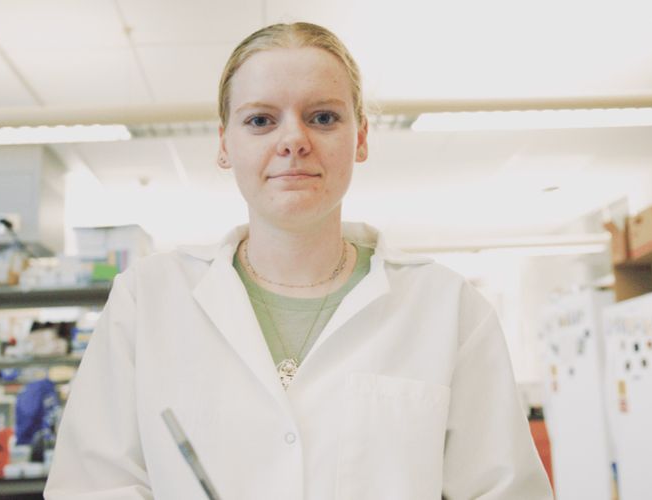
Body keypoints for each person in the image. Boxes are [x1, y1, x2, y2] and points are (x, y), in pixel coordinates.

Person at [44, 22, 552, 500]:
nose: (294, 140)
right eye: (261, 120)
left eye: (323, 117)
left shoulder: (447, 307)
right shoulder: (147, 300)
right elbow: (93, 486)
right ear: (225, 144)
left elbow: (504, 490)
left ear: (361, 138)